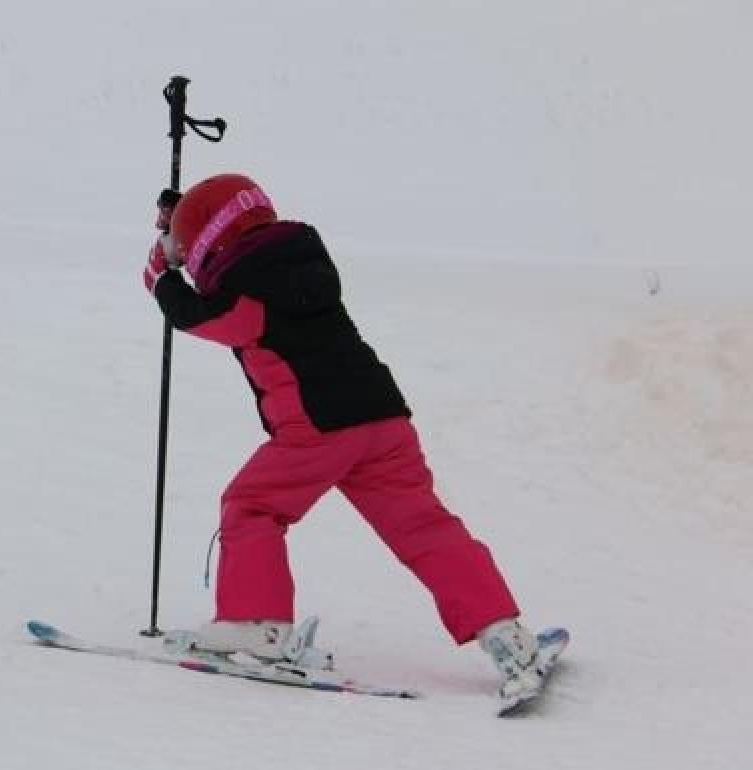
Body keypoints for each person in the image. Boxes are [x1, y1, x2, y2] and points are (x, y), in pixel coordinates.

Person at [142, 173, 542, 699]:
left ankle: (256, 624)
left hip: (318, 430)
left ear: (211, 246)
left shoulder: (246, 294)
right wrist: (185, 227)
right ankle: (505, 633)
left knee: (252, 505)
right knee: (425, 527)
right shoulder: (303, 260)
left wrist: (162, 270)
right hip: (383, 418)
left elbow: (199, 315)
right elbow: (219, 269)